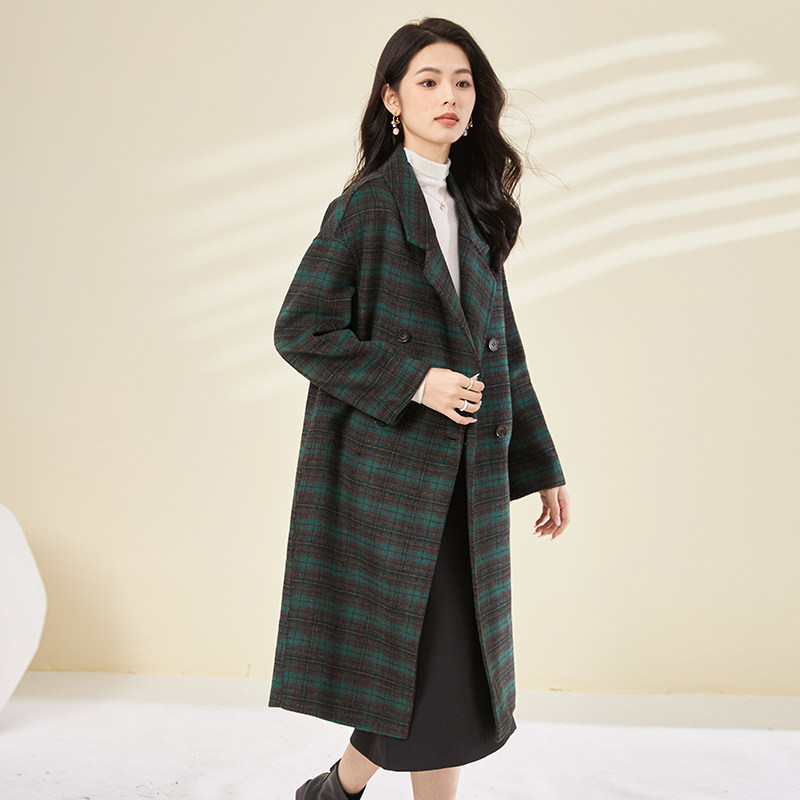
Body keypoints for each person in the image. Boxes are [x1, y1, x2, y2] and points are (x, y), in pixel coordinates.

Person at [270, 17, 571, 800]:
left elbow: (503, 348)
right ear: (392, 99)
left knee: (451, 668)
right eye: (429, 80)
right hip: (392, 481)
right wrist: (416, 381)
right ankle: (336, 789)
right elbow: (300, 330)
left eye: (462, 82)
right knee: (428, 665)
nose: (449, 95)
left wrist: (541, 465)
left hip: (469, 475)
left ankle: (335, 790)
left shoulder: (477, 208)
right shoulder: (367, 208)